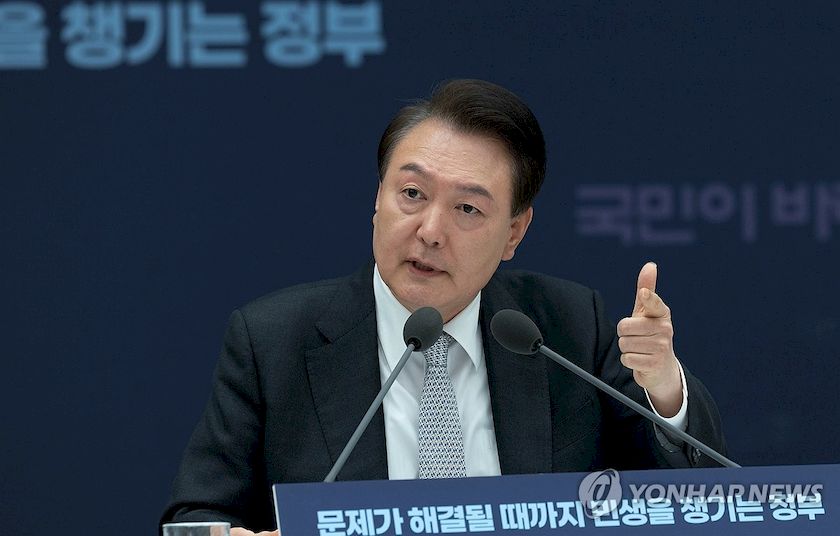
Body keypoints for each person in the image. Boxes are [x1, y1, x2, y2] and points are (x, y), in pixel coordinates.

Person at [161, 79, 725, 536]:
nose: (430, 231)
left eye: (467, 210)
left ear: (514, 232)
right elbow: (196, 517)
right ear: (377, 199)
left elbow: (692, 500)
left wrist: (662, 386)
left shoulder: (569, 329)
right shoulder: (273, 342)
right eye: (412, 194)